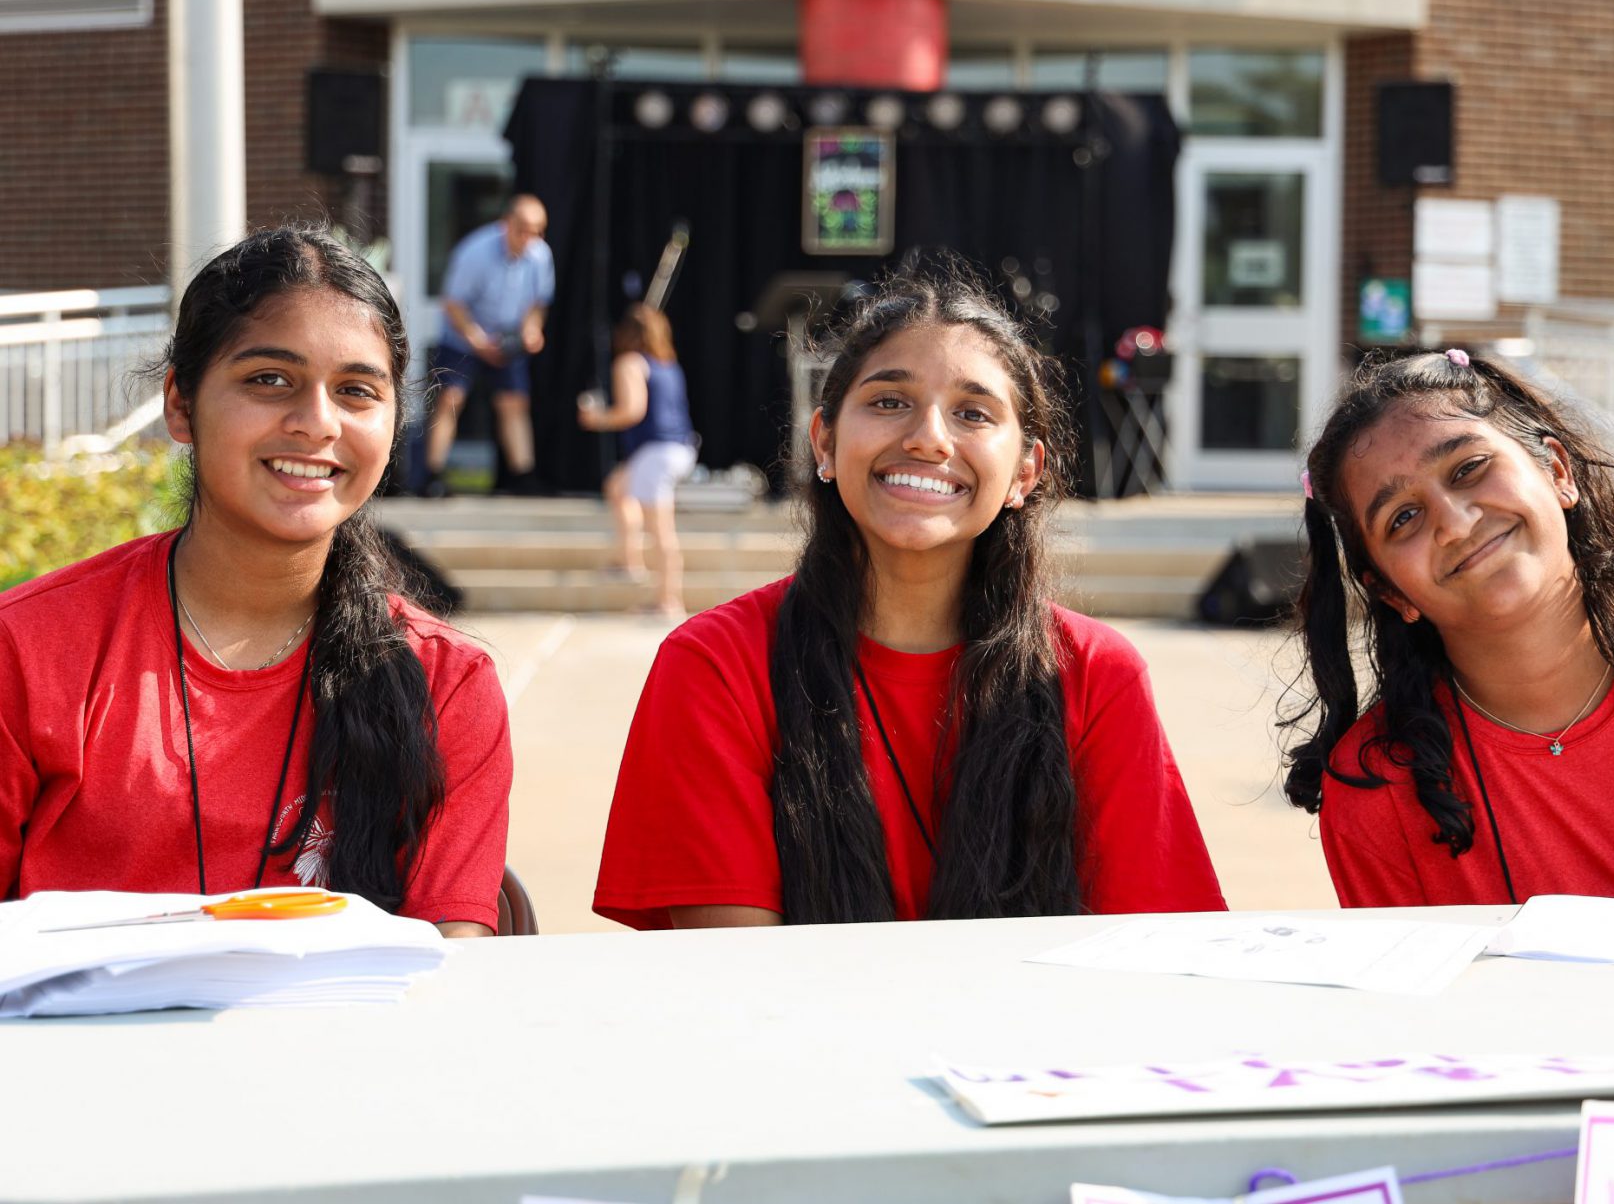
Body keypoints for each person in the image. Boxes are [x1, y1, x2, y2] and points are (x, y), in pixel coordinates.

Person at [593, 269, 1224, 928]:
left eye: (973, 413)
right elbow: (740, 984)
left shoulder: (1097, 674)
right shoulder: (715, 664)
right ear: (825, 442)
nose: (928, 437)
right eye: (889, 401)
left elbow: (1144, 958)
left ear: (1025, 473)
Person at [0, 226, 512, 934]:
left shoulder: (448, 682)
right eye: (269, 380)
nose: (316, 423)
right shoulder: (26, 649)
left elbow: (449, 969)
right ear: (180, 404)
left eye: (357, 391)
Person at [1283, 347, 1614, 906]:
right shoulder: (1375, 790)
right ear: (1390, 591)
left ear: (1556, 471)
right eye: (1403, 518)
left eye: (1469, 469)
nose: (1455, 523)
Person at [423, 193, 555, 496]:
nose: (530, 237)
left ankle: (523, 475)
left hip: (508, 339)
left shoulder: (540, 255)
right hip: (463, 338)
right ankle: (433, 475)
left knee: (514, 403)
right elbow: (453, 304)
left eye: (538, 230)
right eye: (524, 228)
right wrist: (478, 341)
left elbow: (538, 303)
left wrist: (532, 330)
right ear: (506, 223)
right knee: (450, 400)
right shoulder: (475, 251)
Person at [577, 304, 696, 619]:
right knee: (617, 487)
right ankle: (629, 560)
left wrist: (597, 419)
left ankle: (668, 600)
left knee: (661, 530)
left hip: (655, 453)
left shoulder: (630, 363)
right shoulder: (667, 364)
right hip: (676, 447)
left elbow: (632, 410)